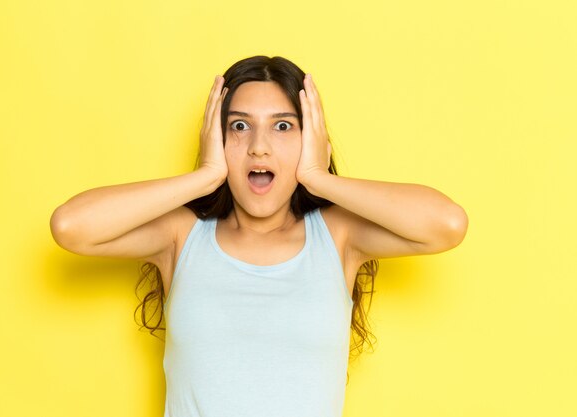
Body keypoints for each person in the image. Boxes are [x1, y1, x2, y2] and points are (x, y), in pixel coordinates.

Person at [50, 55, 468, 417]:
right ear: (218, 137)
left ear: (310, 139)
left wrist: (318, 178)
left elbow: (446, 224)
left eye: (283, 126)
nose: (259, 148)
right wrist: (204, 177)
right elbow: (72, 227)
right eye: (239, 127)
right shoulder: (182, 236)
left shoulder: (337, 236)